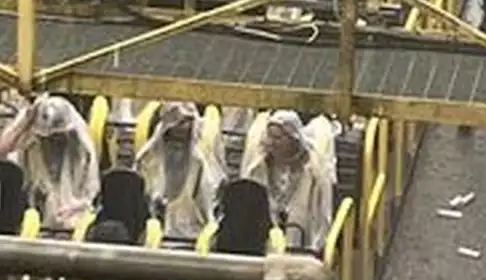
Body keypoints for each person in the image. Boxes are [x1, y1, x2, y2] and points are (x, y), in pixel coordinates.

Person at [0, 94, 99, 228]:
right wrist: (24, 124)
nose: (53, 144)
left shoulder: (82, 152)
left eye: (58, 138)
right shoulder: (30, 148)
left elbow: (90, 196)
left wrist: (77, 207)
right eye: (49, 139)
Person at [240, 110, 335, 252]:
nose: (272, 143)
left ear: (293, 139)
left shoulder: (315, 171)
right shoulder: (257, 167)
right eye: (269, 137)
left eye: (278, 138)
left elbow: (323, 214)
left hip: (303, 242)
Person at [134, 102, 226, 238]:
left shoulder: (198, 161)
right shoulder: (148, 157)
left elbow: (207, 201)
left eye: (189, 122)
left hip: (191, 230)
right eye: (180, 122)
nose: (184, 127)